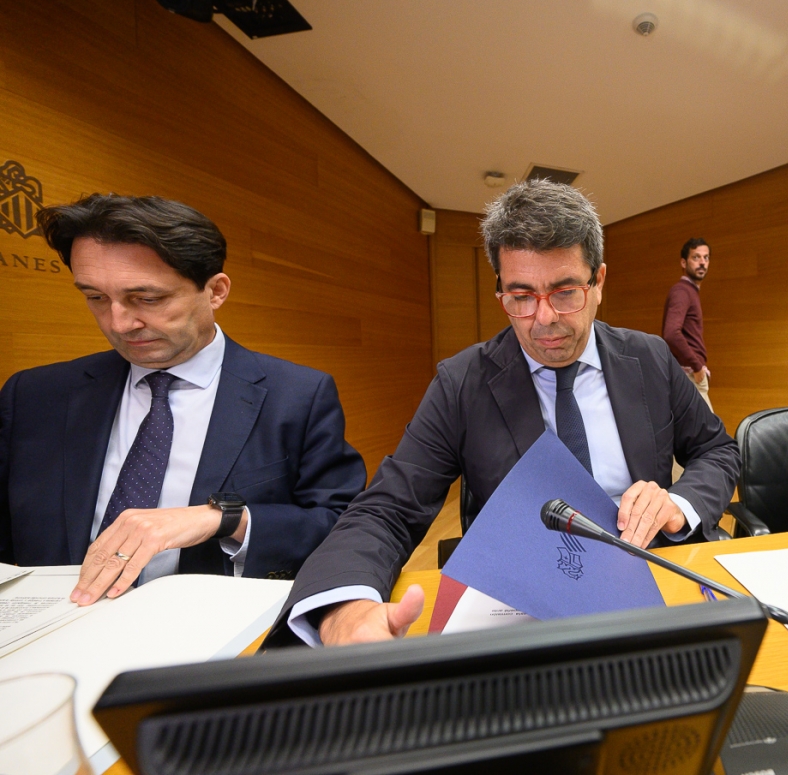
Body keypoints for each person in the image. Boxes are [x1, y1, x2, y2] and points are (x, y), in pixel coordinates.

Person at [266, 180, 740, 648]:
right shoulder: (462, 382)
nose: (544, 318)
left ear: (598, 282)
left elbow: (717, 450)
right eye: (520, 296)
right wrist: (343, 610)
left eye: (565, 291)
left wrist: (678, 505)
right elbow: (388, 507)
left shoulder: (651, 358)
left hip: (649, 578)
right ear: (501, 295)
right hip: (521, 603)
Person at [0, 194, 366, 606]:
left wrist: (227, 519)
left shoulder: (297, 396)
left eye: (148, 299)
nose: (120, 323)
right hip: (54, 631)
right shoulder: (33, 395)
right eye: (96, 298)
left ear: (215, 292)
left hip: (211, 635)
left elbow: (344, 524)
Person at [662, 238, 712, 410]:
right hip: (689, 375)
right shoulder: (682, 291)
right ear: (684, 262)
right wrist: (696, 366)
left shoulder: (690, 291)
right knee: (710, 434)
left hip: (689, 375)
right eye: (696, 257)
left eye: (706, 258)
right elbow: (671, 333)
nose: (702, 263)